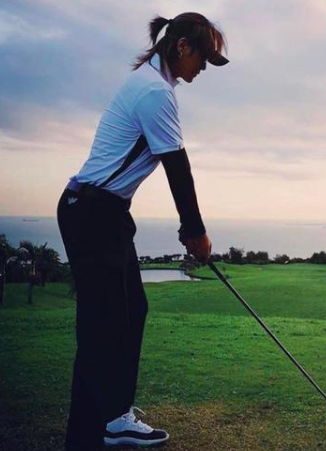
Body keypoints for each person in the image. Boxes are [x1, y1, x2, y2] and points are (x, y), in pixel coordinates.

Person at [56, 12, 228, 451]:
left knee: (131, 312)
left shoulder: (153, 83)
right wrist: (195, 231)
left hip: (106, 213)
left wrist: (191, 229)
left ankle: (113, 418)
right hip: (91, 213)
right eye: (203, 58)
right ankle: (92, 433)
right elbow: (177, 167)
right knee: (102, 327)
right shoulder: (154, 92)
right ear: (182, 47)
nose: (203, 69)